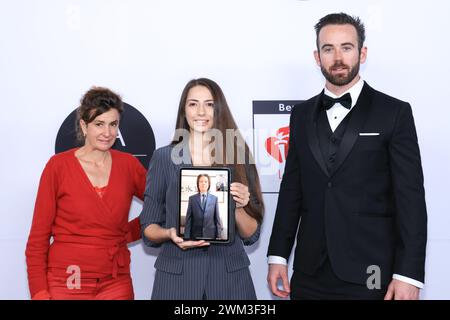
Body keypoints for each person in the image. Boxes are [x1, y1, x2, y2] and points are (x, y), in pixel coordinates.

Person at [267, 13, 427, 300]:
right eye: (328, 49)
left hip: (371, 271)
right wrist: (278, 255)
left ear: (362, 53)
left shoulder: (394, 113)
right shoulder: (301, 115)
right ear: (317, 57)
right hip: (308, 273)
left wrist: (408, 275)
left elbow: (411, 199)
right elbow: (292, 190)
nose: (337, 57)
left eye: (347, 47)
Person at [140, 78, 264, 300]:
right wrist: (169, 233)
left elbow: (251, 234)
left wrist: (236, 206)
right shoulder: (163, 158)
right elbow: (148, 228)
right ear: (184, 110)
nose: (201, 111)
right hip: (176, 281)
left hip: (229, 281)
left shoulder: (238, 155)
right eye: (193, 103)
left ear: (219, 109)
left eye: (209, 104)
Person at [25, 87, 147, 300]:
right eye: (99, 124)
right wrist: (39, 292)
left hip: (115, 279)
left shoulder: (129, 165)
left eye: (113, 124)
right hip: (67, 279)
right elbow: (38, 237)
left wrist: (126, 233)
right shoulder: (58, 166)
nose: (107, 133)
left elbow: (163, 205)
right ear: (84, 125)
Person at [184, 174, 223, 240]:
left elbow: (217, 219)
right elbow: (188, 220)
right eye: (201, 181)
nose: (203, 183)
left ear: (209, 184)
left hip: (210, 235)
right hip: (195, 235)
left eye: (205, 181)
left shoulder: (214, 199)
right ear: (198, 184)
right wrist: (186, 237)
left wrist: (218, 236)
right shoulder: (192, 199)